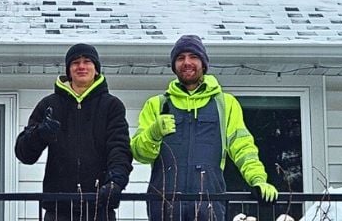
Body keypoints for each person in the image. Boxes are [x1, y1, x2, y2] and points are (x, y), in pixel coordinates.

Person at [131, 35, 278, 221]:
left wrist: (258, 180)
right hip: (164, 206)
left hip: (210, 204)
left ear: (203, 63)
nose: (186, 62)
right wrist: (153, 133)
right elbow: (139, 153)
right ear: (173, 65)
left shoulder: (225, 104)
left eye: (193, 56)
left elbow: (243, 148)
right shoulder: (156, 105)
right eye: (180, 58)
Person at [15, 43, 133, 221]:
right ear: (69, 70)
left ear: (96, 69)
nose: (81, 66)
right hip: (58, 208)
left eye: (87, 61)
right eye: (75, 62)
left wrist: (115, 182)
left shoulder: (111, 106)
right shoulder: (49, 105)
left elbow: (119, 148)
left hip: (99, 206)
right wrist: (40, 133)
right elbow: (24, 154)